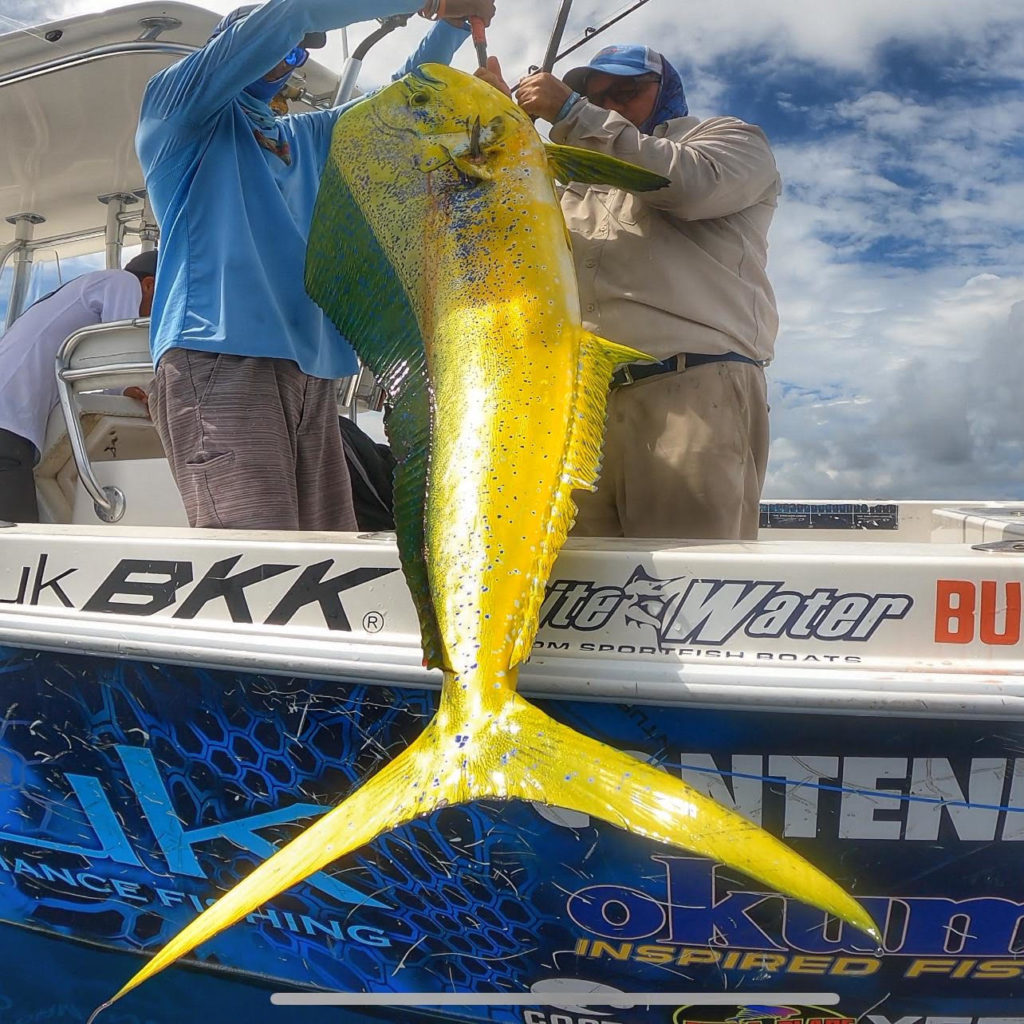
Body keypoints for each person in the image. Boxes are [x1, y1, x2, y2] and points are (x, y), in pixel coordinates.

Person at [136, 0, 496, 531]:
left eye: (295, 53)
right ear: (232, 49)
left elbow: (398, 99)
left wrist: (449, 27)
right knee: (257, 561)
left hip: (312, 371)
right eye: (276, 46)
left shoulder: (304, 137)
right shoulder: (176, 108)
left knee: (327, 555)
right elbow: (293, 12)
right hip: (217, 357)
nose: (289, 57)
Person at [480, 45, 780, 540]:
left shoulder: (727, 140)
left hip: (691, 388)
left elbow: (688, 185)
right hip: (578, 409)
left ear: (668, 94)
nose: (610, 105)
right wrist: (497, 136)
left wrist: (572, 112)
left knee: (689, 591)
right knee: (581, 594)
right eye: (595, 96)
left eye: (627, 91)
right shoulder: (569, 182)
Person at [0, 251, 157, 524]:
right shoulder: (122, 282)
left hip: (12, 424)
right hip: (8, 427)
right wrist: (143, 392)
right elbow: (120, 358)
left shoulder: (74, 291)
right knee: (16, 540)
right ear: (149, 285)